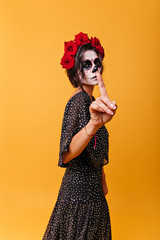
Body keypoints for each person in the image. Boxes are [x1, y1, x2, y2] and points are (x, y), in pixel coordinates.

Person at [42, 32, 118, 240]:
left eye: (97, 62)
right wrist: (94, 124)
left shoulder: (91, 100)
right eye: (86, 64)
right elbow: (66, 154)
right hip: (79, 197)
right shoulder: (79, 101)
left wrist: (102, 179)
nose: (94, 68)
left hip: (92, 195)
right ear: (75, 71)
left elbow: (92, 148)